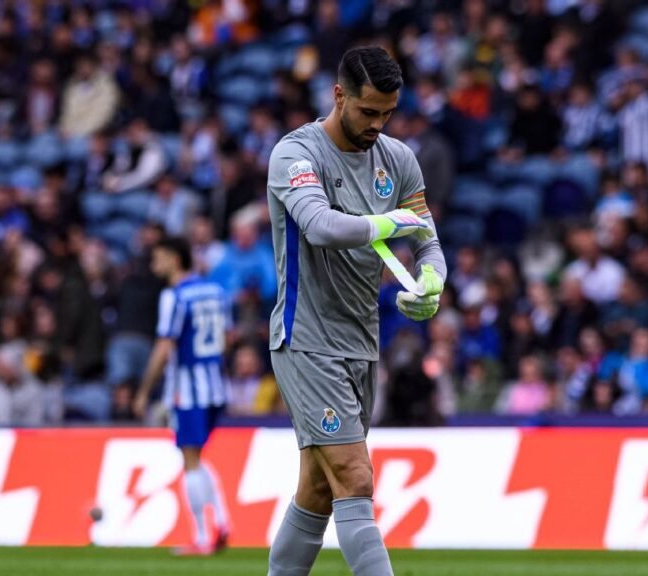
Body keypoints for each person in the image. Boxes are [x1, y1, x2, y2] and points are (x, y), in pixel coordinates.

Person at [265, 47, 447, 576]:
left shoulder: (398, 159)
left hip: (362, 341)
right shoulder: (296, 155)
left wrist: (431, 281)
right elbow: (320, 228)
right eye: (368, 112)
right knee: (355, 477)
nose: (378, 124)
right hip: (307, 338)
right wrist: (388, 224)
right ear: (339, 95)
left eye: (388, 113)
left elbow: (428, 240)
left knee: (318, 489)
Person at [133, 236, 230, 555]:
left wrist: (145, 390)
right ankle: (224, 522)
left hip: (188, 390)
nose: (154, 264)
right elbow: (226, 337)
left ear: (175, 259)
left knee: (190, 459)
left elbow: (164, 345)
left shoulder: (174, 296)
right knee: (198, 456)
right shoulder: (215, 291)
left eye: (158, 257)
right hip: (216, 385)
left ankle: (202, 537)